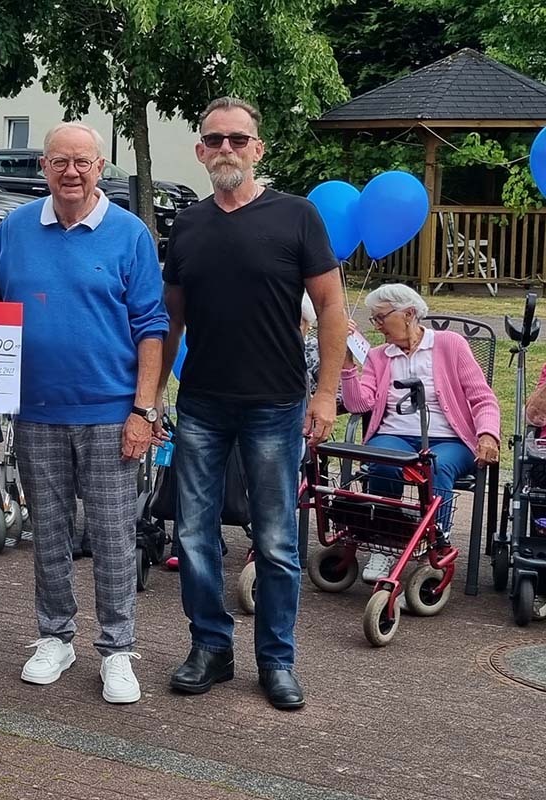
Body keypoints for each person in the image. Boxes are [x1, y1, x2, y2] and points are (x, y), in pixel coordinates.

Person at [159, 97, 347, 711]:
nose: (226, 150)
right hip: (203, 405)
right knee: (193, 534)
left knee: (275, 541)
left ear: (258, 149)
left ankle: (276, 659)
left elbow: (332, 311)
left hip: (276, 404)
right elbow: (171, 320)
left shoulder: (297, 217)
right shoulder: (186, 225)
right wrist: (155, 394)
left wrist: (325, 394)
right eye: (214, 141)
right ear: (200, 151)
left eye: (238, 140)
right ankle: (211, 648)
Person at [0, 121, 168, 704]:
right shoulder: (13, 229)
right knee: (50, 531)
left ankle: (117, 649)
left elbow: (151, 328)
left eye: (83, 162)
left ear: (99, 167)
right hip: (36, 409)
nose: (71, 171)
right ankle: (55, 637)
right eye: (60, 161)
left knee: (114, 535)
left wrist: (145, 408)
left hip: (112, 411)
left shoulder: (130, 234)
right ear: (44, 167)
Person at [341, 283, 500, 581]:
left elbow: (483, 397)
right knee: (383, 460)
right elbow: (358, 403)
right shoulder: (378, 356)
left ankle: (434, 546)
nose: (376, 327)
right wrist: (347, 363)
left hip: (449, 439)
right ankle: (384, 542)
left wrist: (488, 434)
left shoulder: (450, 345)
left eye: (380, 318)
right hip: (396, 435)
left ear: (409, 314)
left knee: (433, 466)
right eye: (373, 319)